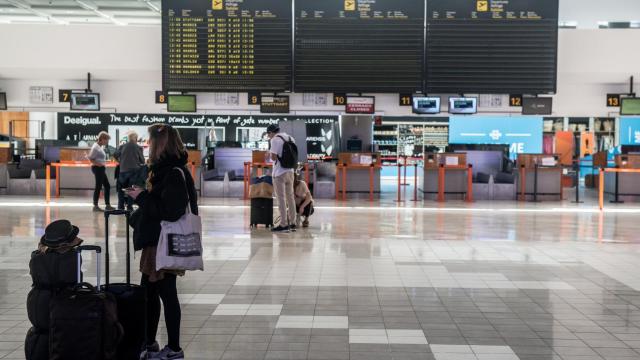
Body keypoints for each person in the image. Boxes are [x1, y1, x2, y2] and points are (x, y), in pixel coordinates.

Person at [125, 124, 197, 360]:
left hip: (163, 243)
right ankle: (150, 342)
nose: (148, 146)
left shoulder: (172, 173)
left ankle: (173, 348)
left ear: (160, 144)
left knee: (165, 292)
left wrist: (142, 197)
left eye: (150, 142)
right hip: (157, 241)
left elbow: (170, 211)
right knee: (150, 292)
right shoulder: (167, 170)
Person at [266, 124, 297, 232]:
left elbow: (274, 158)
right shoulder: (290, 138)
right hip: (291, 171)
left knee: (281, 199)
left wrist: (269, 155)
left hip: (279, 173)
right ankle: (293, 223)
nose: (268, 137)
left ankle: (283, 224)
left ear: (271, 132)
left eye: (268, 134)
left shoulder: (274, 140)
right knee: (291, 198)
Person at [114, 132, 145, 210]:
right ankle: (129, 207)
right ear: (136, 138)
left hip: (122, 171)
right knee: (131, 189)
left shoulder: (122, 146)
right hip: (134, 171)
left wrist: (120, 162)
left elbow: (115, 155)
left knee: (121, 189)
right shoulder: (138, 147)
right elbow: (142, 161)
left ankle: (120, 207)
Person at [88, 131, 114, 212]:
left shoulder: (99, 146)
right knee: (99, 186)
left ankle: (107, 205)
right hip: (98, 168)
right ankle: (95, 206)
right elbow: (90, 158)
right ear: (102, 139)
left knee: (107, 186)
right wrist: (98, 164)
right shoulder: (96, 147)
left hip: (100, 168)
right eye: (107, 140)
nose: (107, 142)